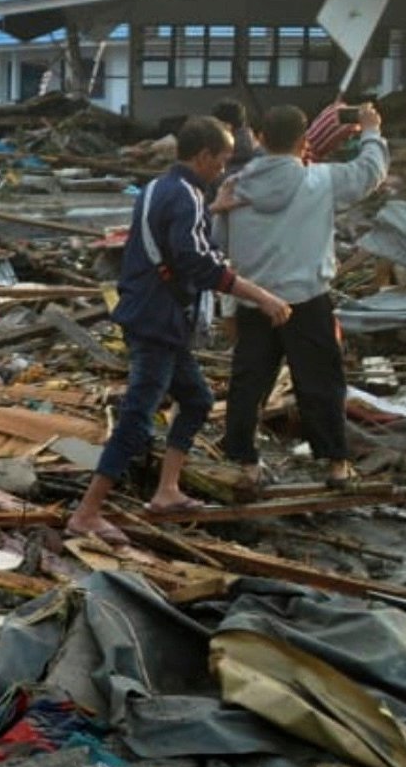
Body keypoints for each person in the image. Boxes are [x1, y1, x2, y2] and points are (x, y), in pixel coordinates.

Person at [67, 116, 292, 544]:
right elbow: (199, 263)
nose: (223, 170)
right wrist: (260, 296)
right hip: (159, 320)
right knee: (137, 416)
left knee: (197, 399)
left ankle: (167, 491)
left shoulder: (158, 188)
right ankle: (88, 512)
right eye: (222, 161)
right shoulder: (186, 197)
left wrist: (214, 210)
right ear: (204, 156)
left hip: (151, 315)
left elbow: (178, 239)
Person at [212, 100, 388, 490]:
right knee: (320, 381)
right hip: (306, 299)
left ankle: (244, 463)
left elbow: (219, 244)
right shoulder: (320, 180)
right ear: (303, 140)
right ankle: (335, 465)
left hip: (254, 299)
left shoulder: (234, 186)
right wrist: (371, 130)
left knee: (248, 383)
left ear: (259, 139)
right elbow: (370, 173)